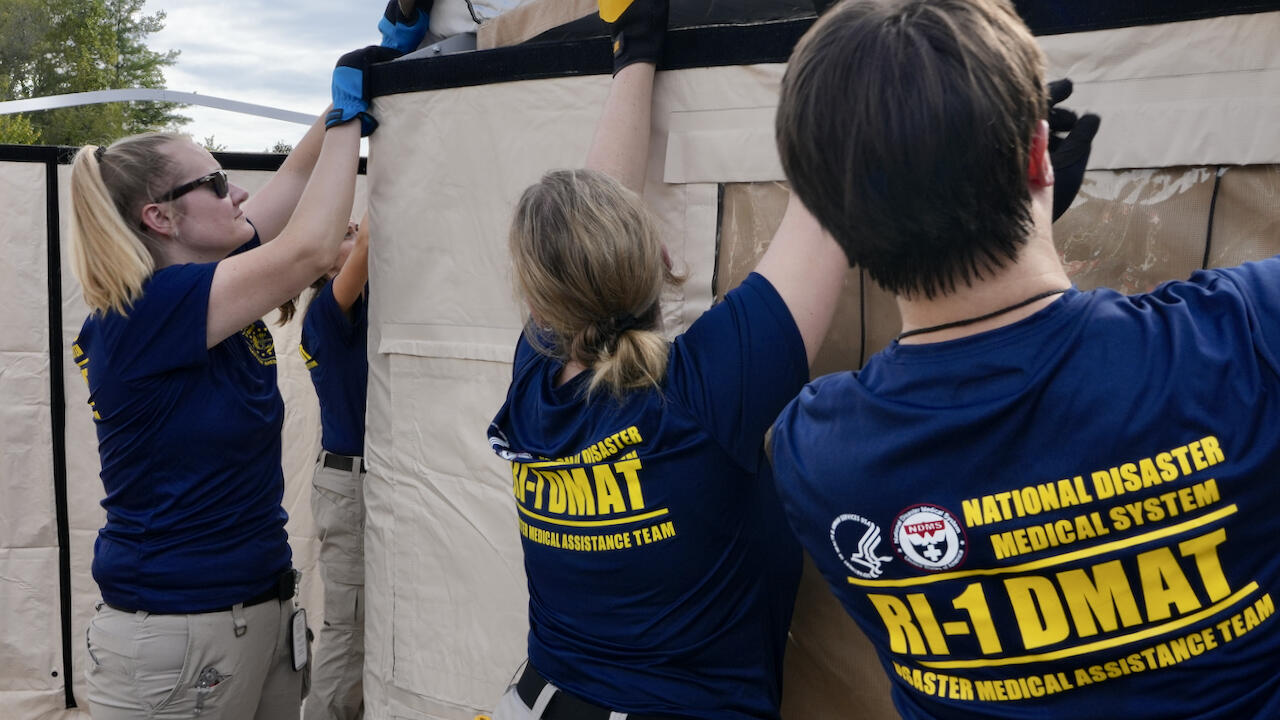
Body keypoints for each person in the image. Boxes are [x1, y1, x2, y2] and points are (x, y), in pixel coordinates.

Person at [770, 1, 1279, 719]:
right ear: (1040, 155)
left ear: (830, 218)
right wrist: (1023, 207)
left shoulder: (816, 453)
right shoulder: (1248, 332)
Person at [484, 1, 848, 717]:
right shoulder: (704, 391)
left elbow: (582, 236)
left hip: (540, 702)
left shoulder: (537, 383)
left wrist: (634, 54)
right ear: (657, 255)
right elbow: (838, 173)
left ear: (542, 305)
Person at [68, 30, 402, 718]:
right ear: (159, 217)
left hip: (257, 617)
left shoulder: (209, 281)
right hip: (177, 639)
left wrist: (364, 71)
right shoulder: (145, 315)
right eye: (216, 183)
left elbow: (297, 185)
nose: (238, 192)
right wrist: (348, 118)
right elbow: (310, 244)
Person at [295, 213, 371, 720]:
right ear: (323, 263)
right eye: (339, 235)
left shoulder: (362, 311)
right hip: (350, 487)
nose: (353, 238)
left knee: (364, 624)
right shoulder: (327, 312)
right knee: (349, 626)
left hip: (360, 482)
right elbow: (372, 239)